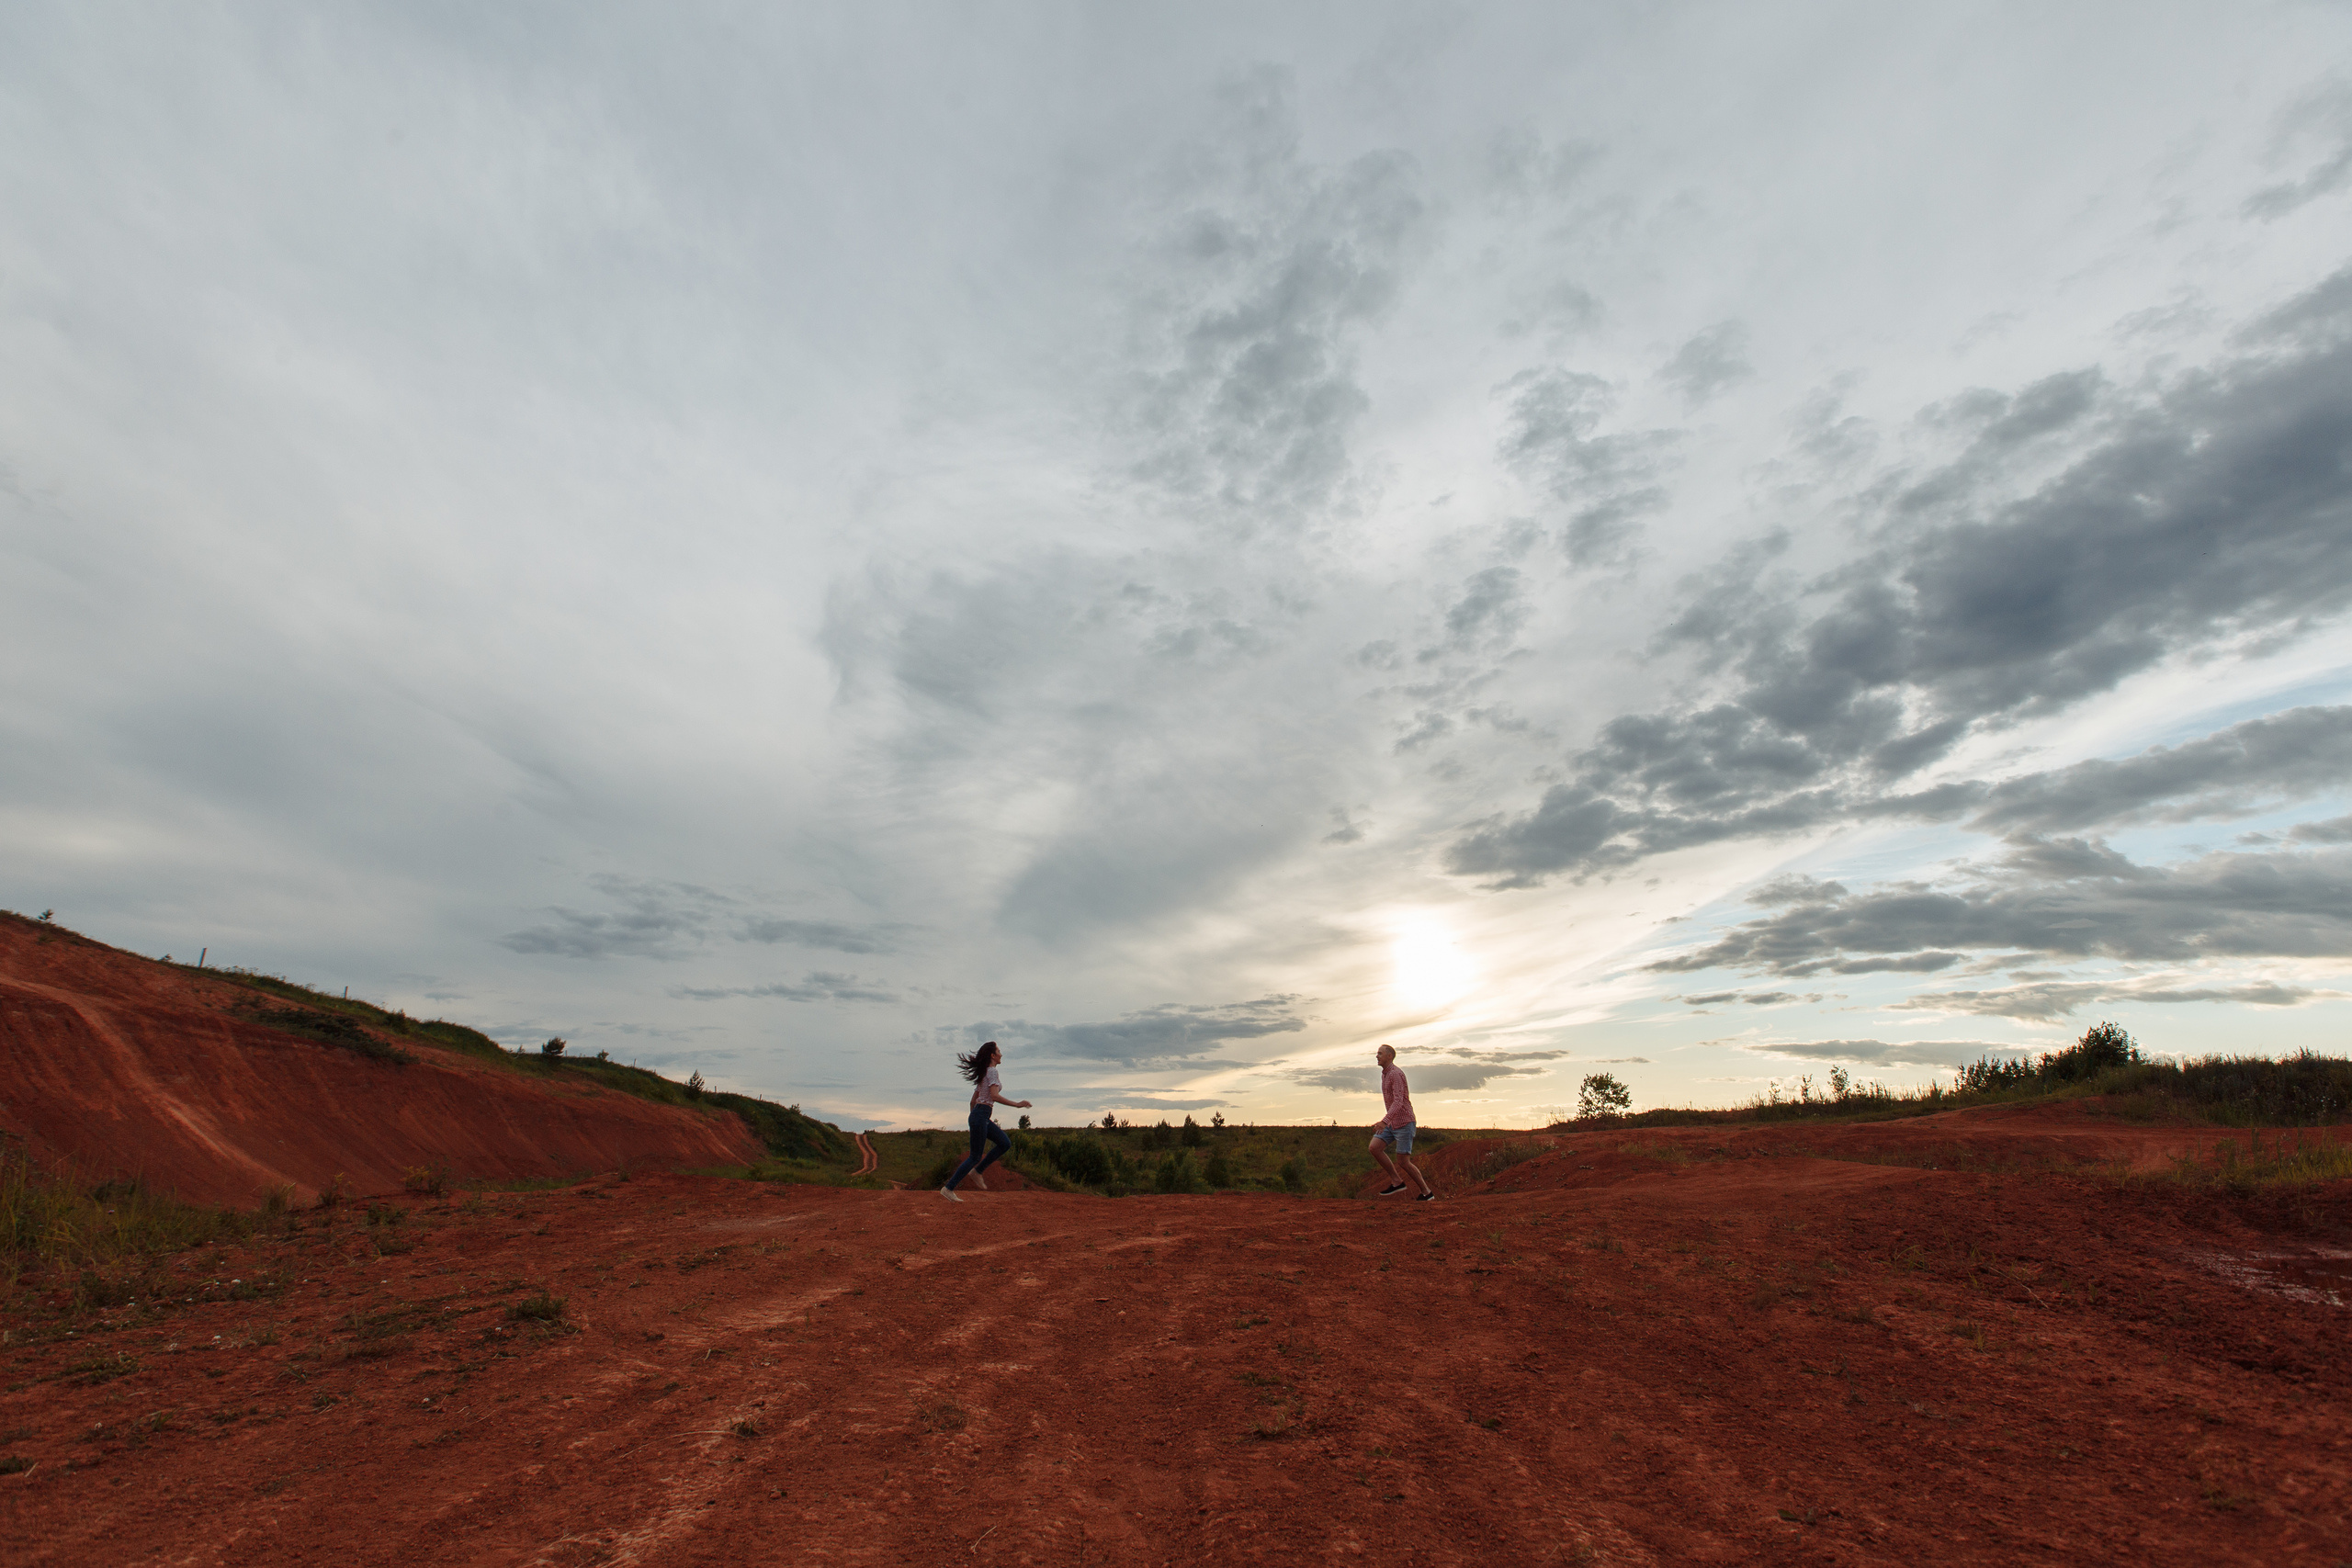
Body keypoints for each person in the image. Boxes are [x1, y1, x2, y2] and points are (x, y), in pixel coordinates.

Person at [943, 1041, 1029, 1201]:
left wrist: (975, 1118)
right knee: (975, 1157)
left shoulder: (984, 1074)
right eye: (999, 1051)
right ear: (993, 1055)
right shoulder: (992, 1072)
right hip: (981, 1115)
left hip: (980, 1116)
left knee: (1004, 1143)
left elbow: (972, 1101)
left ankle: (977, 1171)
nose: (1001, 1054)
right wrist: (1017, 1105)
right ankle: (949, 1188)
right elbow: (994, 1096)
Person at [1368, 1043, 1435, 1201]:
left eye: (1380, 1053)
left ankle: (1427, 1193)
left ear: (1389, 1056)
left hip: (1404, 1123)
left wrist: (1384, 1121)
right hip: (1392, 1123)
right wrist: (1387, 1121)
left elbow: (1398, 1101)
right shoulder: (1385, 1074)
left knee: (1403, 1162)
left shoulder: (1395, 1074)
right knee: (1374, 1148)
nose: (1377, 1056)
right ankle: (1397, 1181)